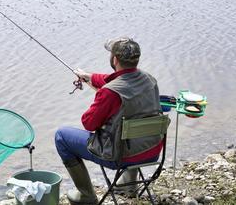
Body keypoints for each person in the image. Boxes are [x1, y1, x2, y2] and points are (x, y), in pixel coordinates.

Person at [54, 38, 163, 205]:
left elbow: (89, 124)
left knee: (62, 136)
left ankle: (86, 195)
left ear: (114, 60)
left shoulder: (110, 93)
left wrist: (101, 96)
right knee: (133, 125)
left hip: (120, 156)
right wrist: (88, 77)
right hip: (152, 151)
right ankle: (129, 186)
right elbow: (118, 80)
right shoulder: (149, 80)